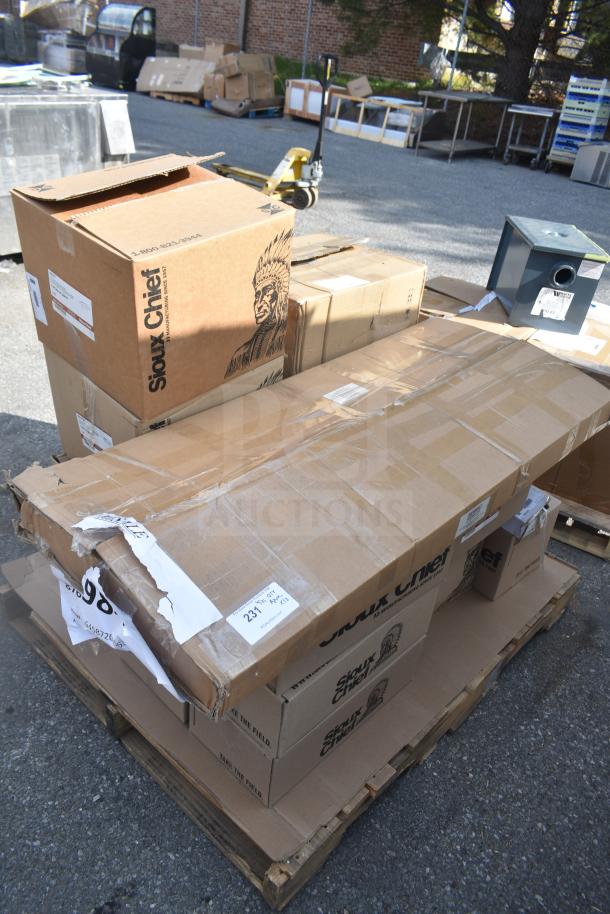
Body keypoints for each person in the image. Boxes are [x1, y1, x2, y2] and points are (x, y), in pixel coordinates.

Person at [225, 228, 293, 378]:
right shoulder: (241, 355)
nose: (259, 302)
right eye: (257, 294)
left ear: (279, 294)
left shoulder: (284, 339)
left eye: (267, 291)